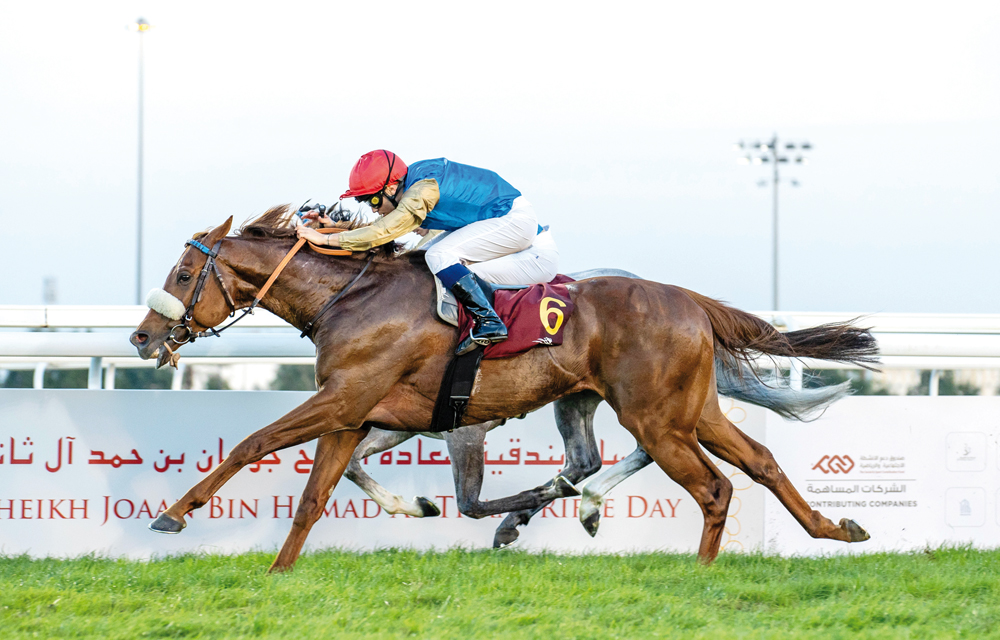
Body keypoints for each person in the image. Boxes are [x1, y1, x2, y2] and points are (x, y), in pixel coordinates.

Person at [296, 150, 559, 355]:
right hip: (507, 225)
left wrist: (324, 239)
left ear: (390, 188)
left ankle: (489, 323)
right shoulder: (413, 182)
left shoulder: (421, 191)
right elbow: (384, 228)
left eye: (373, 200)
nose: (373, 209)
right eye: (365, 202)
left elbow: (383, 232)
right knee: (421, 261)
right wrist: (334, 228)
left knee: (438, 258)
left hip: (524, 235)